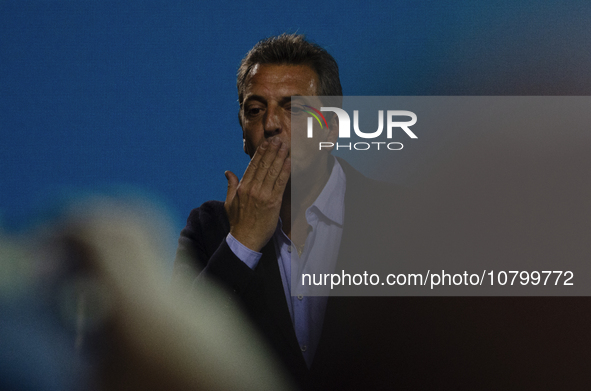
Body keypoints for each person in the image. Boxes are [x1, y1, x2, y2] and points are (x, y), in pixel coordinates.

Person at [173, 34, 399, 390]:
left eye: (293, 108)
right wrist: (242, 243)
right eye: (255, 110)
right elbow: (171, 356)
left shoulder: (402, 218)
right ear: (243, 133)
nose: (272, 124)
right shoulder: (209, 229)